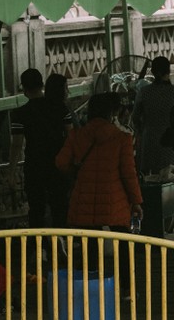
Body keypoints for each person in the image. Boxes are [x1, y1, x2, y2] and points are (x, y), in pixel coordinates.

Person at [56, 92, 143, 235]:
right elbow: (129, 174)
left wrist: (78, 172)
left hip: (84, 200)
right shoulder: (122, 138)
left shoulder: (77, 135)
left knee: (90, 248)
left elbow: (61, 162)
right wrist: (137, 202)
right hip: (114, 200)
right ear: (111, 112)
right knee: (122, 244)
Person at [8, 69, 72, 228]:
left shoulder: (20, 113)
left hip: (34, 166)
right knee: (59, 207)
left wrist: (11, 172)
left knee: (37, 210)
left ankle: (40, 247)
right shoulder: (61, 108)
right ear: (42, 84)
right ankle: (61, 243)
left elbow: (16, 145)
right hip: (58, 166)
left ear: (24, 88)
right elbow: (72, 137)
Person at [131, 56, 174, 177]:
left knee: (151, 179)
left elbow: (135, 118)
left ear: (153, 72)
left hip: (149, 142)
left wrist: (142, 129)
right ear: (169, 71)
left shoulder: (144, 92)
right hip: (172, 144)